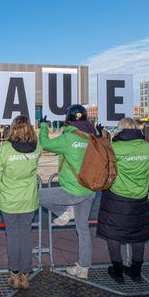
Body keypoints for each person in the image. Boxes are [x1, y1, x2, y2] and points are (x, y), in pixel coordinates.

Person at [38, 105, 97, 279]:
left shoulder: (69, 137)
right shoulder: (92, 136)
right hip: (90, 189)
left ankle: (65, 210)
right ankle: (84, 267)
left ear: (68, 120)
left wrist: (43, 127)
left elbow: (45, 144)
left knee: (35, 196)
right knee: (83, 228)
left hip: (73, 190)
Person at [96, 117, 149, 283]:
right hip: (139, 195)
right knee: (138, 234)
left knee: (113, 233)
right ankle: (136, 272)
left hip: (116, 195)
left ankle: (117, 270)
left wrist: (103, 139)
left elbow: (104, 166)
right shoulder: (146, 147)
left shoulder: (115, 147)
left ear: (121, 129)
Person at [0, 115, 42, 289]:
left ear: (13, 128)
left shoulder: (5, 150)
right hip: (28, 200)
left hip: (9, 201)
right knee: (26, 236)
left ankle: (14, 275)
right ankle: (25, 276)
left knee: (13, 237)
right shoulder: (37, 149)